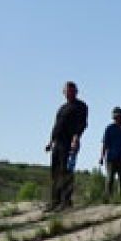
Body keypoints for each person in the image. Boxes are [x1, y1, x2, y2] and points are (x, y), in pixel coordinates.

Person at [45, 81, 88, 211]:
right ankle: (55, 201)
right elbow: (57, 125)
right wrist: (51, 141)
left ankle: (66, 201)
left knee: (66, 171)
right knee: (55, 172)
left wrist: (76, 137)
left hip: (70, 142)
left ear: (76, 91)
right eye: (66, 91)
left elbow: (82, 124)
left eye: (71, 90)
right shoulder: (62, 108)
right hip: (58, 142)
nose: (68, 93)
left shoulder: (80, 106)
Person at [99, 106, 121, 199]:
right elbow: (105, 144)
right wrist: (101, 157)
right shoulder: (109, 128)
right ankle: (108, 197)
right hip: (111, 158)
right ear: (114, 117)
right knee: (110, 177)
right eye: (117, 116)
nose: (119, 118)